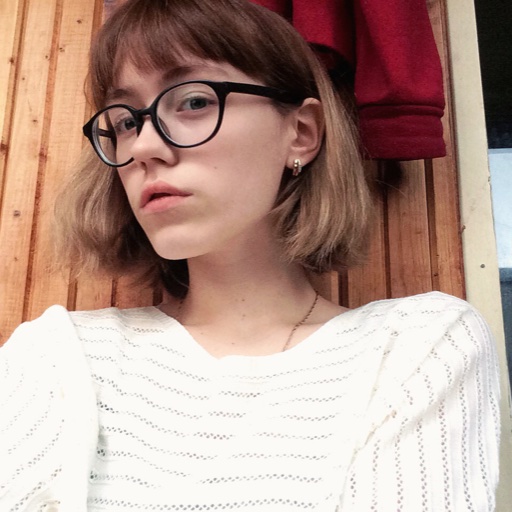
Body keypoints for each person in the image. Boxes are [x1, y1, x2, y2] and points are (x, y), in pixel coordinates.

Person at [0, 0, 500, 510]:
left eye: (194, 101)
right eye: (126, 121)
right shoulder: (56, 357)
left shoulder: (414, 348)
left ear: (301, 133)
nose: (144, 146)